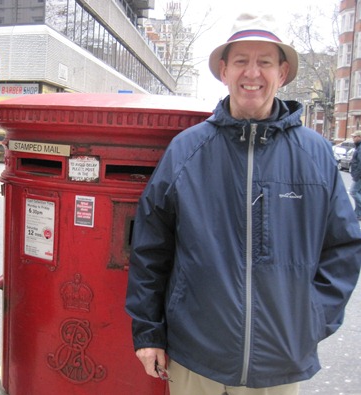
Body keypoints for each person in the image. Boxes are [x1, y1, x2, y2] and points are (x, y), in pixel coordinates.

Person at [125, 10, 361, 395]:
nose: (252, 73)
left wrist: (311, 319)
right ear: (223, 70)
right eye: (241, 61)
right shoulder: (187, 150)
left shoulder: (315, 155)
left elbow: (344, 248)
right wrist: (148, 332)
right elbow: (151, 248)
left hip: (279, 364)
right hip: (195, 358)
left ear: (282, 73)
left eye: (264, 62)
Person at [349, 131, 361, 220]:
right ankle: (358, 214)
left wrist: (356, 175)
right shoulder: (358, 147)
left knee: (353, 191)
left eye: (355, 137)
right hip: (358, 174)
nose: (353, 139)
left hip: (359, 175)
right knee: (358, 193)